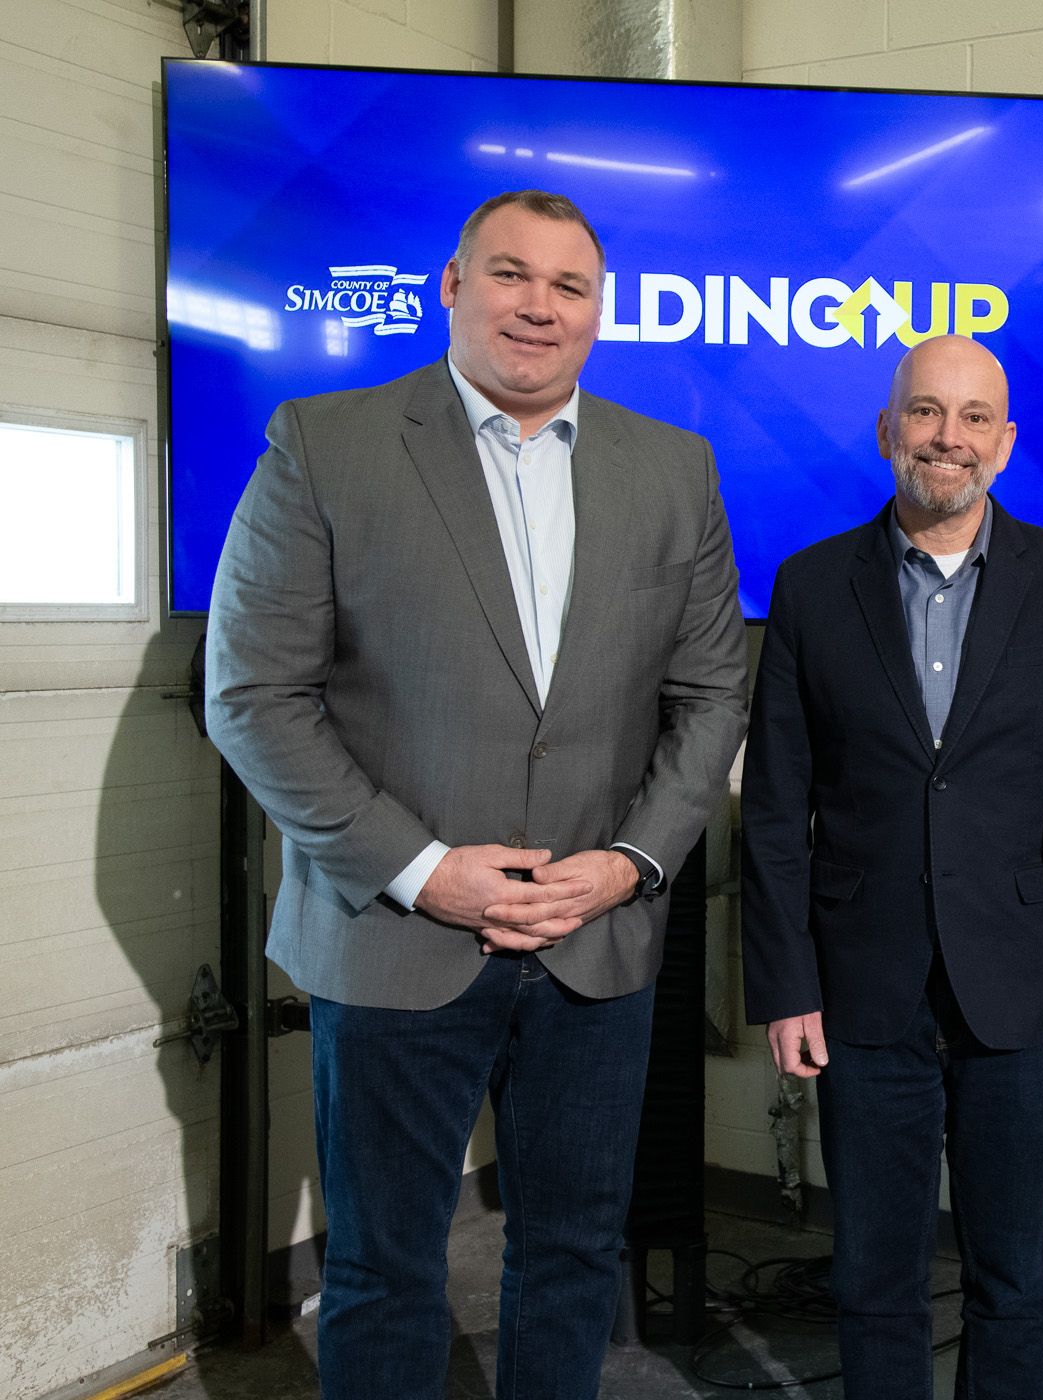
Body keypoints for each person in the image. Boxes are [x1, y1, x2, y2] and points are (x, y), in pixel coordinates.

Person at [206, 189, 748, 1399]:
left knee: (569, 1254)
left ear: (600, 312)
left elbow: (713, 696)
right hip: (396, 933)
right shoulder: (326, 443)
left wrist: (631, 863)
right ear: (451, 287)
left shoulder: (672, 467)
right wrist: (422, 868)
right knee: (386, 1266)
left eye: (568, 286)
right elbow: (253, 696)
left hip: (594, 938)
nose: (538, 307)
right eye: (510, 274)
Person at [739, 335, 1043, 1400]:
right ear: (886, 430)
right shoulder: (812, 585)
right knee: (875, 1273)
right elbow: (775, 809)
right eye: (923, 412)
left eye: (970, 417)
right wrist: (784, 985)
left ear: (1005, 443)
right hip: (862, 989)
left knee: (1012, 1272)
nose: (945, 436)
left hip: (1026, 986)